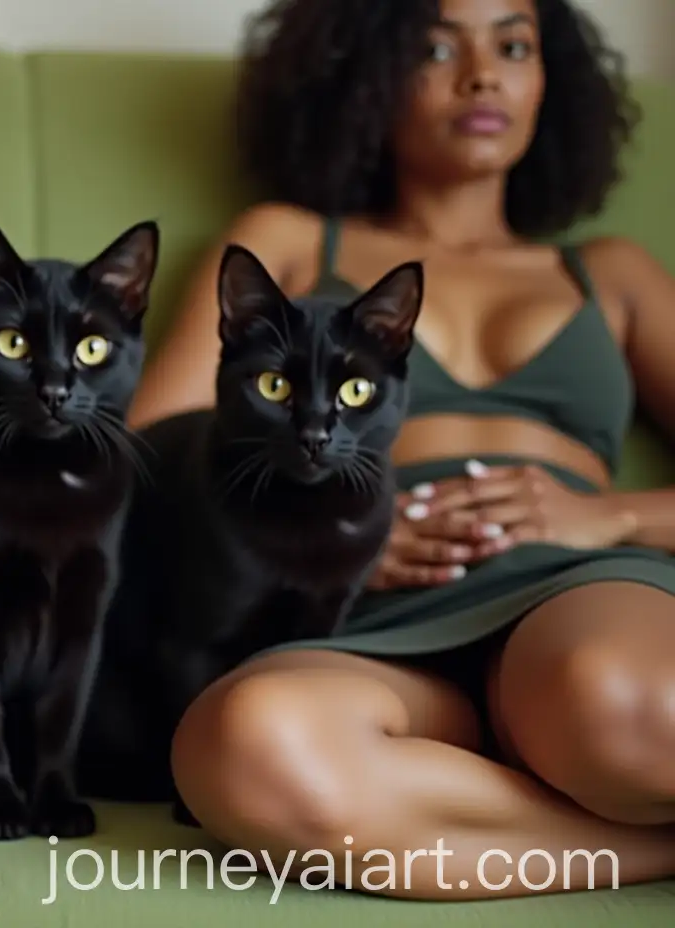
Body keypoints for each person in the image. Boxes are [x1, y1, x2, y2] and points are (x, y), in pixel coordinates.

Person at [131, 0, 675, 900]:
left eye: (513, 45)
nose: (482, 74)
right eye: (434, 45)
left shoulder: (608, 274)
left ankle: (501, 787)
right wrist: (319, 542)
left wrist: (606, 514)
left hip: (577, 587)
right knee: (249, 743)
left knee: (624, 710)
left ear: (553, 80)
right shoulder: (289, 242)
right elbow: (147, 467)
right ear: (362, 74)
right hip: (359, 615)